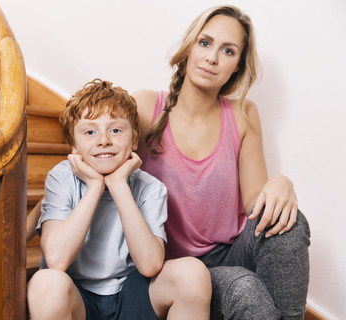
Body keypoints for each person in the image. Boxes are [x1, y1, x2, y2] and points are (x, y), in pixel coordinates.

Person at [132, 5, 311, 320]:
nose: (212, 57)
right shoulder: (148, 107)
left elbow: (257, 204)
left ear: (237, 66)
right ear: (189, 48)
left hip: (232, 253)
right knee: (246, 290)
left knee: (291, 223)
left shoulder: (243, 114)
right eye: (205, 43)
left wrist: (281, 183)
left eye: (227, 50)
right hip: (178, 271)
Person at [26, 79, 211, 320]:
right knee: (45, 283)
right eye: (90, 132)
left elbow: (150, 265)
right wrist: (94, 186)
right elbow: (57, 259)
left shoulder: (150, 188)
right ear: (74, 146)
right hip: (77, 297)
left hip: (131, 292)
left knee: (193, 272)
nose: (104, 140)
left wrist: (118, 184)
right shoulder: (61, 178)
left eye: (115, 130)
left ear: (134, 140)